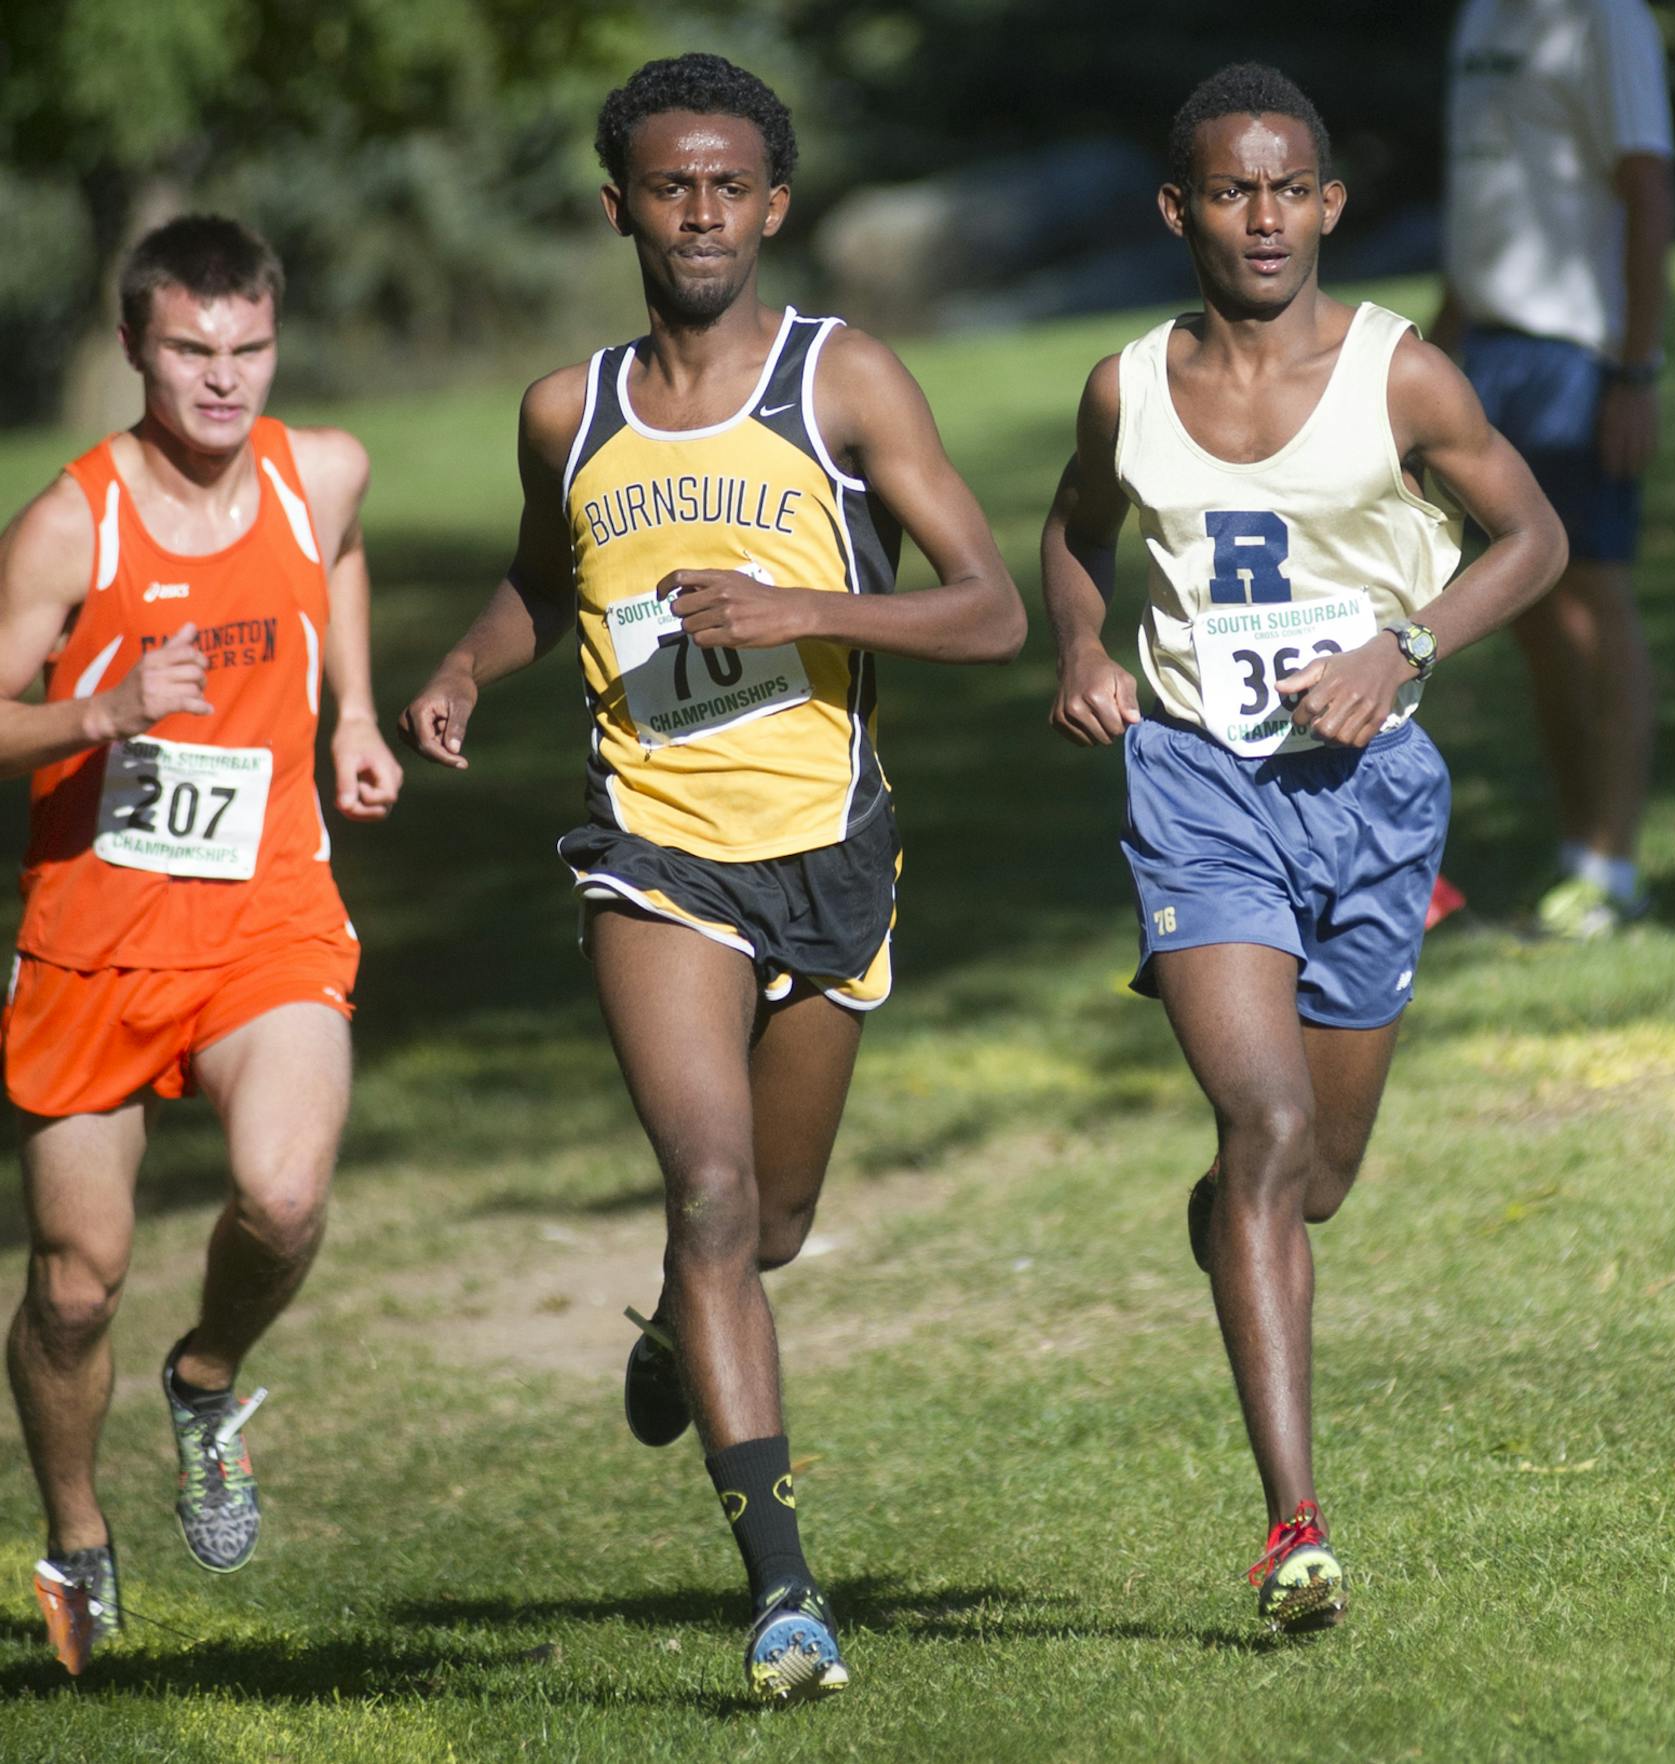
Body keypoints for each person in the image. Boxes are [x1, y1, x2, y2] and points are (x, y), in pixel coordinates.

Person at [399, 54, 1024, 1702]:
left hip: (826, 845)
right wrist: (469, 661)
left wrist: (802, 612)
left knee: (778, 1215)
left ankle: (688, 1326)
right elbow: (547, 577)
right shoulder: (570, 408)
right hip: (652, 847)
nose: (698, 210)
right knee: (714, 1191)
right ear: (620, 207)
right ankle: (786, 1592)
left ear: (774, 205)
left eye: (727, 184)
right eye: (668, 185)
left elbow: (991, 609)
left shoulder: (845, 383)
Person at [1040, 63, 1565, 1631]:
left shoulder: (1405, 377)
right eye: (1227, 189)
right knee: (1264, 1126)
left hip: (1375, 798)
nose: (1259, 216)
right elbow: (1072, 532)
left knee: (1312, 1179)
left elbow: (1531, 538)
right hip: (1199, 788)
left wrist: (1402, 648)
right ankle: (1294, 1527)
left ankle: (1237, 1232)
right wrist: (1081, 652)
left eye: (1287, 188)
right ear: (1177, 209)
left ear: (1329, 203)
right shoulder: (1126, 388)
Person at [0, 216, 403, 1673]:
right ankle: (76, 1533)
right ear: (134, 348)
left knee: (285, 1197)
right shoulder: (70, 523)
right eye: (190, 352)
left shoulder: (325, 470)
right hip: (91, 941)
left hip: (265, 917)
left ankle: (206, 1376)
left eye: (248, 351)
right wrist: (99, 712)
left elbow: (340, 555)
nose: (223, 383)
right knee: (73, 1282)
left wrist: (353, 711)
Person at [1435, 0, 1675, 938]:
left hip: (1576, 350)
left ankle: (1614, 866)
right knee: (1530, 612)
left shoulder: (1605, 19)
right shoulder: (1482, 17)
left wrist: (1635, 370)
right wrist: (1443, 349)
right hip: (1487, 351)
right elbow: (1486, 207)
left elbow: (1648, 189)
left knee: (1592, 597)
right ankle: (1576, 848)